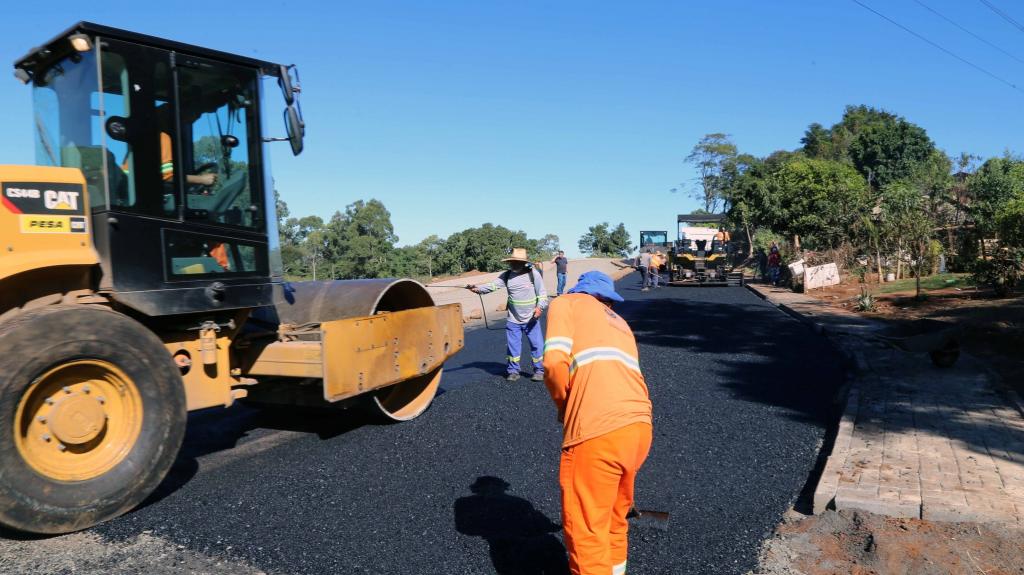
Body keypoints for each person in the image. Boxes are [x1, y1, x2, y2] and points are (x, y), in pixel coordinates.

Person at [542, 271, 653, 575]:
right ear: (608, 300)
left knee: (587, 530)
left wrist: (564, 406)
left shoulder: (566, 303)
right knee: (615, 517)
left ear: (580, 290)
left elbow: (553, 363)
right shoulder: (621, 324)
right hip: (639, 426)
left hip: (597, 429)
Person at [468, 248, 549, 382]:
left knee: (537, 345)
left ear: (523, 263)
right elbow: (492, 286)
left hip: (531, 319)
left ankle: (539, 370)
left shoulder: (533, 274)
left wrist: (539, 308)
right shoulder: (506, 276)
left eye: (517, 262)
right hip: (513, 319)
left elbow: (542, 294)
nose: (514, 264)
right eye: (512, 262)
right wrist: (477, 289)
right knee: (513, 347)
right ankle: (513, 371)